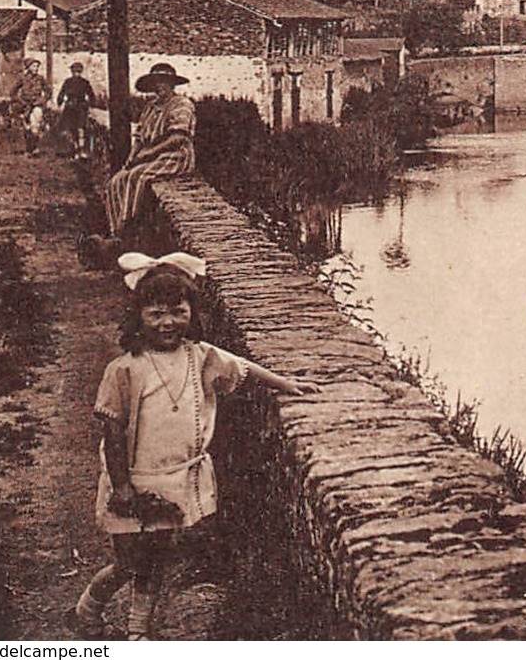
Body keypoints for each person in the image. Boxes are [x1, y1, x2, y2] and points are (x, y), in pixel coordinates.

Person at [72, 253, 318, 640]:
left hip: (175, 479)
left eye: (177, 311)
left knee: (157, 556)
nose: (168, 322)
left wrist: (286, 385)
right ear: (138, 317)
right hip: (134, 479)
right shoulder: (124, 369)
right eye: (156, 314)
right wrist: (122, 486)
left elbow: (244, 367)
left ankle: (138, 631)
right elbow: (113, 432)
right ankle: (88, 608)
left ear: (191, 312)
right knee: (128, 559)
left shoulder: (200, 356)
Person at [104, 63, 197, 243]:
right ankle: (114, 231)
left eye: (164, 82)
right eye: (156, 82)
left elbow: (178, 137)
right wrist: (131, 158)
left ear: (172, 84)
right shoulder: (151, 106)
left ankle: (127, 230)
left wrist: (149, 153)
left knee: (138, 177)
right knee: (117, 180)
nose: (159, 86)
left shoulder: (181, 104)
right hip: (151, 155)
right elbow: (139, 137)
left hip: (174, 155)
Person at [55, 61, 98, 160]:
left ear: (81, 72)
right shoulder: (68, 82)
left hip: (80, 107)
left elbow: (91, 94)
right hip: (70, 108)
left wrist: (92, 105)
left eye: (78, 72)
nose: (76, 74)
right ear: (72, 72)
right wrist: (60, 101)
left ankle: (81, 149)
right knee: (70, 129)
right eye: (74, 71)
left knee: (80, 128)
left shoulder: (84, 82)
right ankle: (74, 148)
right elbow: (62, 93)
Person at [9, 58, 51, 154]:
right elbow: (12, 92)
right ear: (28, 67)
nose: (36, 68)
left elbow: (48, 92)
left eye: (37, 66)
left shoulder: (40, 79)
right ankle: (30, 148)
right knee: (27, 128)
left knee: (35, 126)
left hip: (37, 105)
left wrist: (42, 101)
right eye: (34, 66)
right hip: (25, 106)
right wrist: (20, 101)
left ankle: (34, 147)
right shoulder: (22, 78)